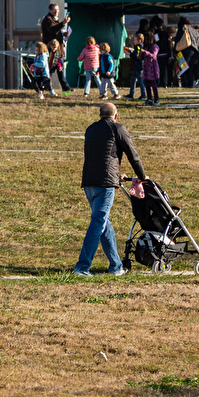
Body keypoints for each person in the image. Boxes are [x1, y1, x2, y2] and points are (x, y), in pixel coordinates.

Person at [75, 103, 146, 276]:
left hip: (89, 182)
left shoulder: (90, 129)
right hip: (105, 184)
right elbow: (133, 155)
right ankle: (82, 267)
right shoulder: (117, 128)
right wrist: (142, 176)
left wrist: (117, 174)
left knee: (104, 224)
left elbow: (101, 155)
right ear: (116, 116)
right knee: (98, 223)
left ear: (100, 115)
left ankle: (115, 266)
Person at [139, 37, 161, 105]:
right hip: (146, 68)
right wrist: (140, 54)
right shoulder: (146, 47)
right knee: (147, 84)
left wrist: (145, 52)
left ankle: (156, 99)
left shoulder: (155, 46)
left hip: (152, 68)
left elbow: (153, 56)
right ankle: (149, 99)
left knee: (153, 84)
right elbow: (142, 57)